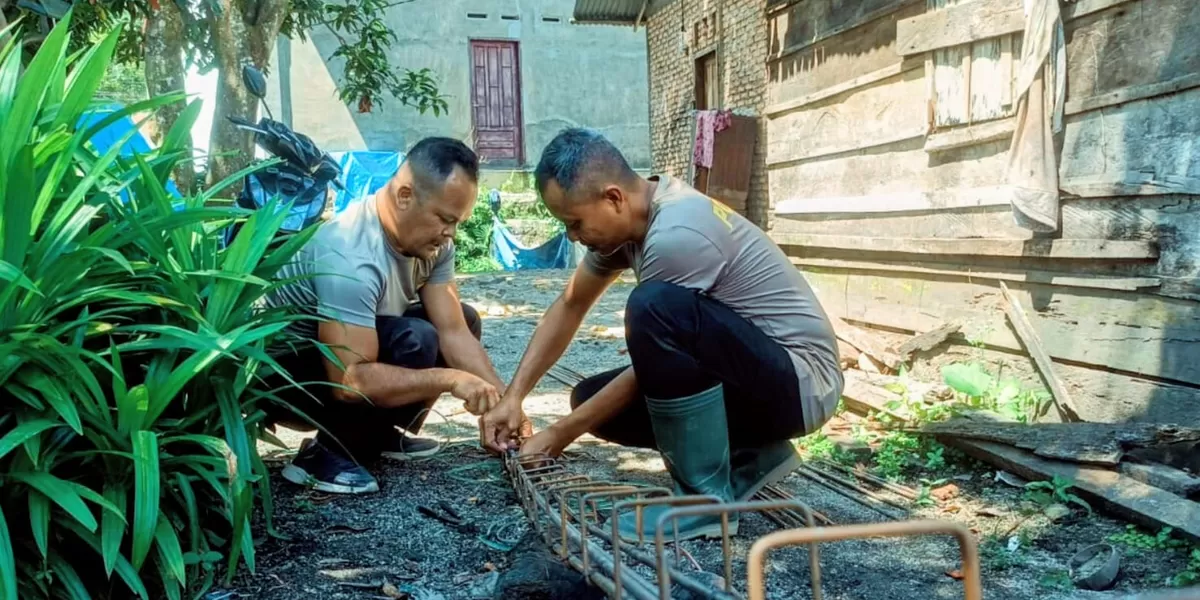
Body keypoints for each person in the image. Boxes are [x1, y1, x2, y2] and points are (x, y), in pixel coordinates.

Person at [480, 128, 844, 540]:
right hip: (758, 375)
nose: (572, 236)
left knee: (653, 307)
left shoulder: (677, 234)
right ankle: (750, 455)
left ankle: (704, 503)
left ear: (613, 198)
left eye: (575, 223)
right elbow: (570, 304)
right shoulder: (632, 224)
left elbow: (651, 361)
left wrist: (557, 435)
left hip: (800, 385)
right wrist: (514, 397)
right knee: (588, 398)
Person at [264, 137, 505, 494]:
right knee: (416, 339)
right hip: (290, 379)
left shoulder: (436, 247)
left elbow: (454, 331)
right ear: (405, 196)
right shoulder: (349, 252)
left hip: (347, 352)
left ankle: (377, 435)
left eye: (457, 221)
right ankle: (326, 453)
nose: (451, 233)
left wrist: (502, 402)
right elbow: (350, 380)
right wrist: (451, 379)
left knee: (464, 318)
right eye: (444, 219)